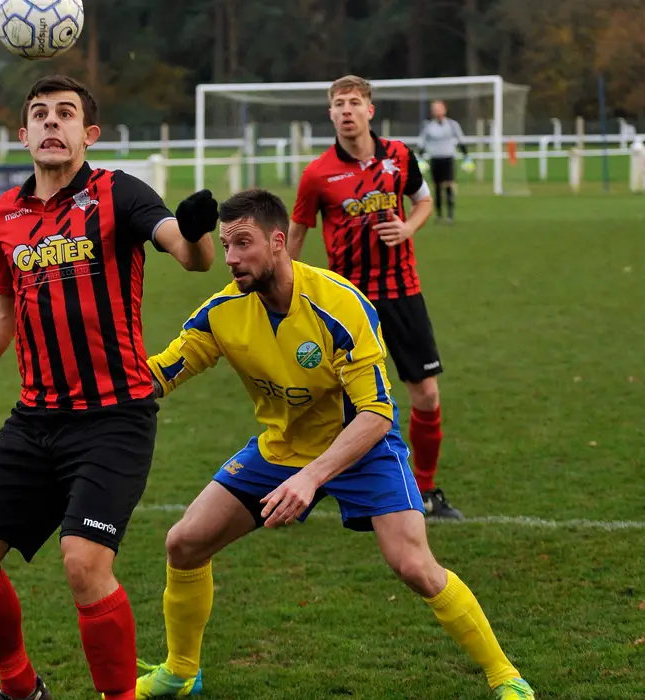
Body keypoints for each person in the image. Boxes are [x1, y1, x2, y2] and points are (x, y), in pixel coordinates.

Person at [136, 188, 535, 700]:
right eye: (225, 244)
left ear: (278, 242)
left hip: (361, 448)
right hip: (283, 448)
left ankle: (506, 677)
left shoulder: (338, 304)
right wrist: (99, 383)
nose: (231, 257)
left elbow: (375, 412)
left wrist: (312, 476)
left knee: (414, 565)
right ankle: (181, 672)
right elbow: (163, 372)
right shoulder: (223, 311)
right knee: (184, 543)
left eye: (243, 243)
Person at [0, 75, 217, 700]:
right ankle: (21, 689)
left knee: (84, 563)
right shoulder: (7, 213)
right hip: (36, 419)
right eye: (41, 115)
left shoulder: (119, 193)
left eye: (67, 114)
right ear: (23, 134)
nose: (54, 124)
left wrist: (195, 231)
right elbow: (2, 308)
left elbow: (188, 255)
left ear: (89, 133)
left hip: (114, 418)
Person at [288, 74, 462, 520]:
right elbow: (297, 233)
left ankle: (424, 492)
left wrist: (408, 228)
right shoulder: (318, 173)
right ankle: (329, 489)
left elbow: (422, 201)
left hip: (403, 292)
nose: (346, 110)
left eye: (354, 102)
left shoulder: (399, 157)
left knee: (425, 393)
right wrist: (284, 287)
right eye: (338, 104)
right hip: (348, 302)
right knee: (344, 405)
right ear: (330, 114)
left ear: (370, 110)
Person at [418, 99, 473, 224]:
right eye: (434, 108)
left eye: (439, 108)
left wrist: (466, 157)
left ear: (444, 109)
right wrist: (419, 158)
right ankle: (439, 215)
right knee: (436, 187)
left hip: (448, 159)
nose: (436, 110)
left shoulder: (452, 124)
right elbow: (422, 142)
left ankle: (450, 215)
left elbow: (460, 140)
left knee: (448, 186)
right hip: (435, 159)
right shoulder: (428, 126)